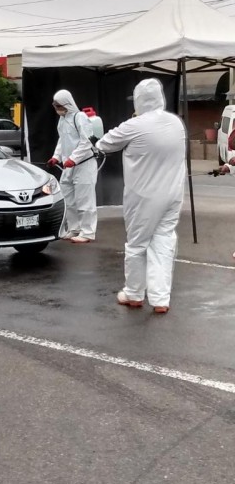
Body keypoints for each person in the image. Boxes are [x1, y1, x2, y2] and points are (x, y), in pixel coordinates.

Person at [94, 79, 186, 314]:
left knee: (137, 244)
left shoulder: (134, 125)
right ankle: (160, 299)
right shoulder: (176, 123)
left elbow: (104, 144)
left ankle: (134, 294)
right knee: (164, 242)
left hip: (143, 197)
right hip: (173, 194)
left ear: (139, 100)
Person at [47, 90, 98, 244]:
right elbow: (62, 141)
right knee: (68, 199)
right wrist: (56, 157)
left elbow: (87, 141)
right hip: (68, 166)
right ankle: (74, 228)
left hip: (84, 164)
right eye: (55, 105)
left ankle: (87, 232)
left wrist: (74, 159)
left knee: (84, 199)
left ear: (67, 104)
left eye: (59, 105)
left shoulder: (80, 117)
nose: (56, 108)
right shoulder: (62, 120)